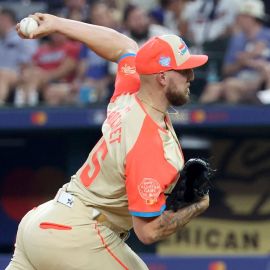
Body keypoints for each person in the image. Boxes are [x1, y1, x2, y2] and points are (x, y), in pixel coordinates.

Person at [6, 13, 209, 270]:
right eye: (184, 70)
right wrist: (197, 207)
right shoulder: (149, 143)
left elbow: (123, 46)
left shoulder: (131, 93)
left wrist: (57, 24)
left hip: (41, 223)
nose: (191, 76)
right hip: (79, 234)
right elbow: (147, 232)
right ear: (162, 77)